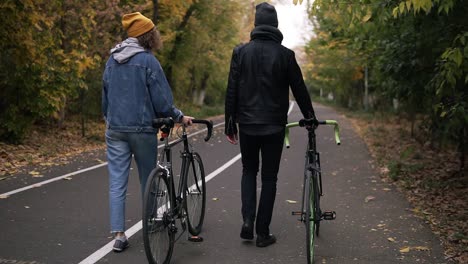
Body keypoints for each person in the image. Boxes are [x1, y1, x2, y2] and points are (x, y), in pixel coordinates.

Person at [224, 2, 317, 248]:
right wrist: (309, 116)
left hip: (247, 123)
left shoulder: (241, 52)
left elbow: (232, 88)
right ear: (275, 25)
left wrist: (229, 123)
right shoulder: (285, 55)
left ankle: (247, 220)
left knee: (248, 171)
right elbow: (299, 88)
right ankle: (262, 232)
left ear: (256, 24)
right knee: (269, 178)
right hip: (274, 125)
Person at [102, 12, 193, 252]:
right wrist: (178, 116)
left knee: (116, 182)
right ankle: (150, 222)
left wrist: (110, 120)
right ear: (147, 36)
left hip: (116, 129)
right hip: (142, 129)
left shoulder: (112, 60)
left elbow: (105, 96)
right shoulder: (148, 61)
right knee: (148, 178)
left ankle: (119, 235)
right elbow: (162, 100)